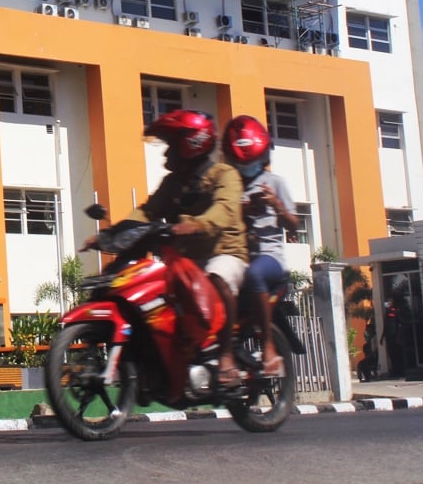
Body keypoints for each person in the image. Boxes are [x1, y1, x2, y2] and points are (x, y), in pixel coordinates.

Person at [81, 109, 247, 386]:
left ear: (191, 144)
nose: (166, 155)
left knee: (217, 278)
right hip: (184, 262)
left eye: (171, 146)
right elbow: (147, 213)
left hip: (225, 252)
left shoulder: (225, 174)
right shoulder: (173, 184)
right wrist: (110, 234)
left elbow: (226, 210)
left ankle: (227, 354)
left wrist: (195, 224)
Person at [221, 114, 299, 378]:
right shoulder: (227, 187)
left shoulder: (276, 183)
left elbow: (294, 224)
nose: (246, 168)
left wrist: (275, 204)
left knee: (254, 273)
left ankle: (267, 347)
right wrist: (244, 208)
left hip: (269, 257)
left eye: (251, 162)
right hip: (234, 255)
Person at [381, 296, 404, 378]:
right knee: (391, 354)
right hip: (389, 336)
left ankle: (400, 371)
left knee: (397, 354)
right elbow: (385, 326)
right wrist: (382, 337)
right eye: (387, 301)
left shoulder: (395, 311)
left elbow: (399, 323)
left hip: (394, 336)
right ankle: (395, 370)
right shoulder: (387, 312)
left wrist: (398, 336)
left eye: (390, 301)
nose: (388, 303)